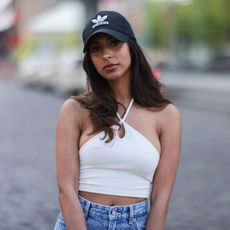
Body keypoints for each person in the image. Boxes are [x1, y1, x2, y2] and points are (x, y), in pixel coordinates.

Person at [54, 10, 181, 230]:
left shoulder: (167, 115)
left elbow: (162, 197)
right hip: (80, 221)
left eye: (115, 43)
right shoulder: (75, 110)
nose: (106, 55)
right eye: (96, 49)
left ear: (131, 46)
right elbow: (66, 188)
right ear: (90, 60)